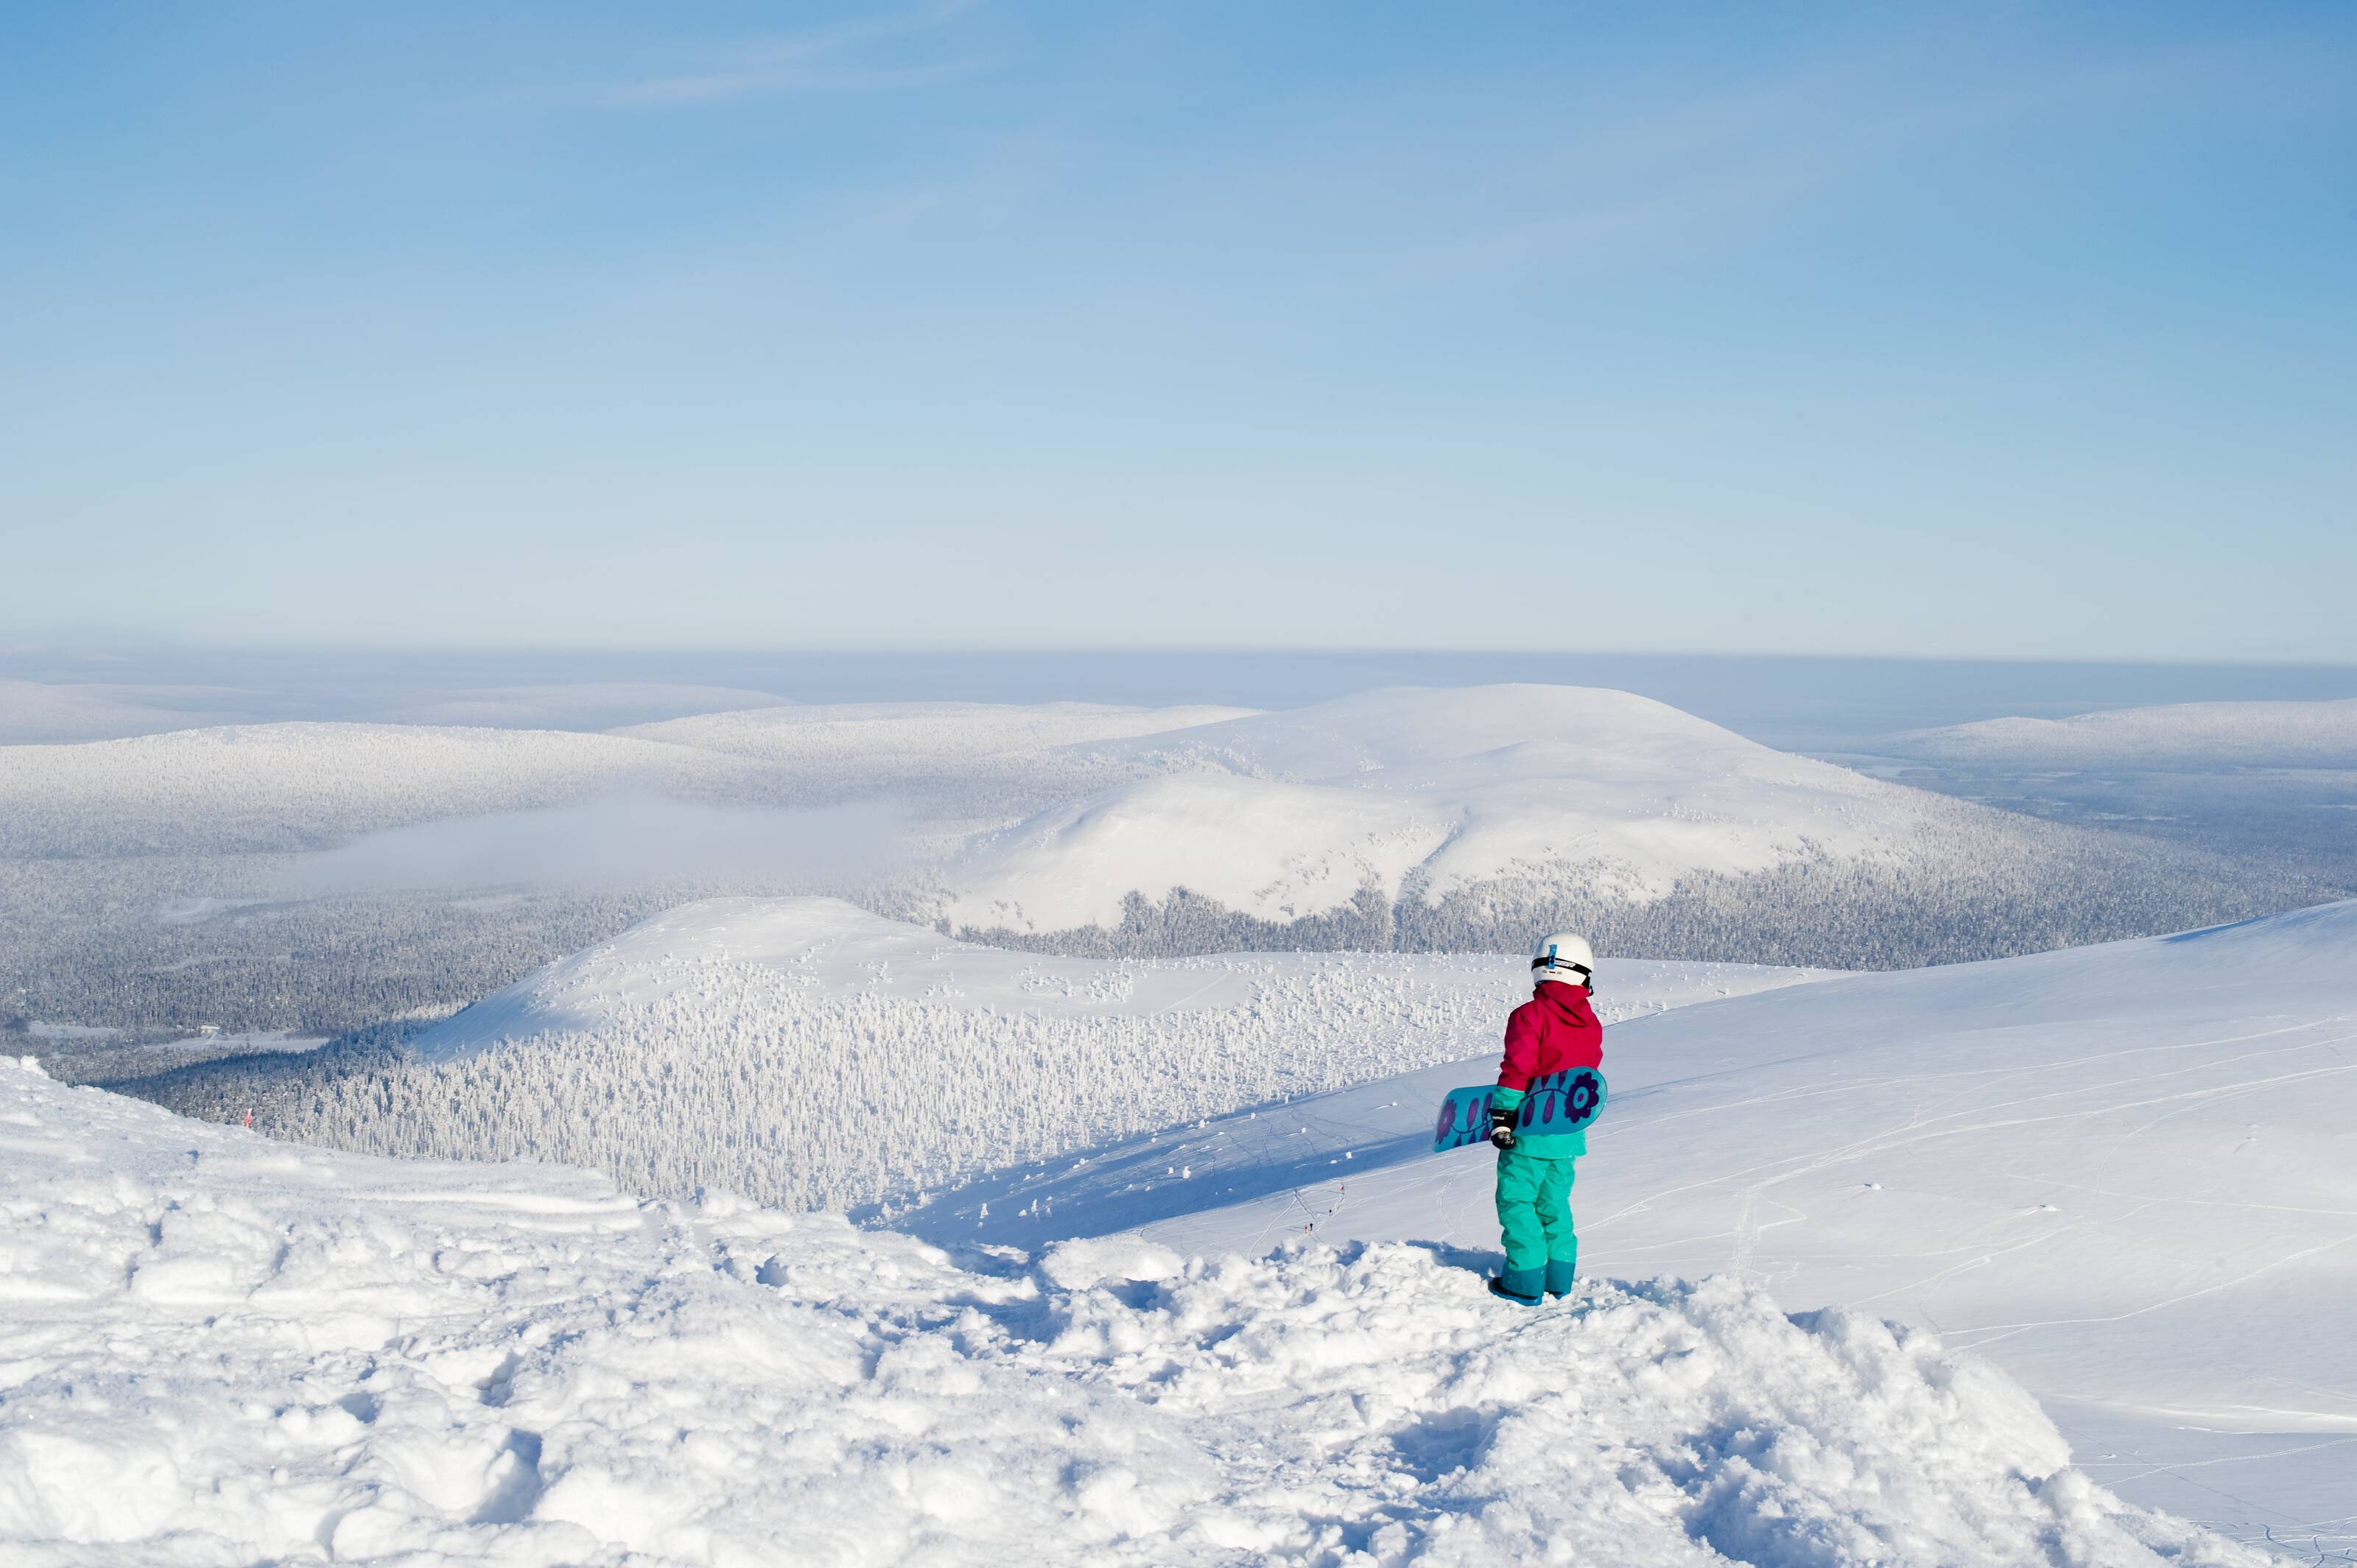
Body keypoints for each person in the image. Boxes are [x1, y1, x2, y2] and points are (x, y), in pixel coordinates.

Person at [1487, 932, 1603, 1306]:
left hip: (1527, 1133)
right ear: (1583, 973)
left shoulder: (1528, 1016)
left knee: (1517, 1202)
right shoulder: (1591, 1023)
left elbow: (1517, 1069)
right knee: (1554, 1206)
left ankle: (1523, 1281)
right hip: (1568, 1134)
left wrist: (1502, 1116)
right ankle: (1558, 1279)